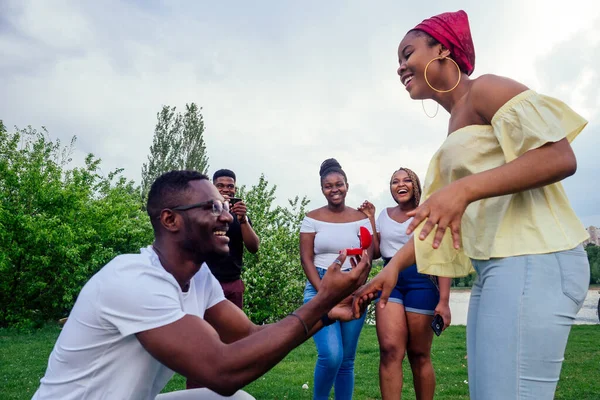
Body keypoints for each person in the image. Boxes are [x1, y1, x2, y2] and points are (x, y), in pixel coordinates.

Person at [353, 10, 590, 400]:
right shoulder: (454, 125)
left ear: (442, 48)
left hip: (536, 258)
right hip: (498, 268)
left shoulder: (485, 90)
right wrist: (392, 268)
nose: (400, 67)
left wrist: (462, 191)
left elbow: (560, 157)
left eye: (407, 53)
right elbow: (436, 221)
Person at [33, 170, 371, 400]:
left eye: (225, 206)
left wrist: (326, 311)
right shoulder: (133, 279)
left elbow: (251, 337)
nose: (226, 216)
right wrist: (322, 298)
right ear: (170, 219)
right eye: (212, 207)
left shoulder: (199, 277)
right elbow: (222, 371)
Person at [359, 167, 451, 400]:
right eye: (394, 181)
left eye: (406, 179)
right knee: (390, 351)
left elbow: (442, 256)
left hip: (422, 281)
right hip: (390, 284)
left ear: (415, 185)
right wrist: (371, 220)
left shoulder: (429, 211)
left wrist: (444, 300)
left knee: (419, 354)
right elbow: (378, 252)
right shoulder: (384, 215)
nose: (400, 184)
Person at [300, 158, 372, 400]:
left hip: (352, 289)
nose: (334, 189)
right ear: (322, 189)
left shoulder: (360, 218)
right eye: (328, 186)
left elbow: (367, 257)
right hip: (319, 287)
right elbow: (306, 259)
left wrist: (356, 287)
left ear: (347, 185)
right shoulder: (311, 218)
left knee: (346, 361)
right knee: (331, 355)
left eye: (339, 184)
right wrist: (324, 294)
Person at [206, 169, 259, 309]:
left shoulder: (239, 215)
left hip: (232, 282)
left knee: (234, 330)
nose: (226, 189)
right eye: (220, 185)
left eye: (230, 186)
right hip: (205, 281)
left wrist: (243, 221)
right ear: (213, 187)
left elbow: (254, 247)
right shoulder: (204, 212)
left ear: (235, 189)